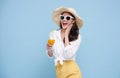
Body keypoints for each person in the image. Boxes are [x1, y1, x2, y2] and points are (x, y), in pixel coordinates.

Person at [46, 6, 83, 78]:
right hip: (59, 72)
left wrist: (66, 35)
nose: (64, 20)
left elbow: (68, 55)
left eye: (68, 18)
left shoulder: (77, 36)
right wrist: (48, 48)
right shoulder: (53, 34)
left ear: (73, 21)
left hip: (73, 72)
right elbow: (51, 55)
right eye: (62, 17)